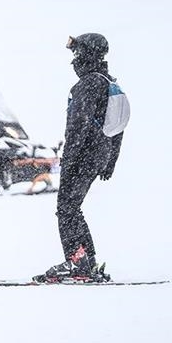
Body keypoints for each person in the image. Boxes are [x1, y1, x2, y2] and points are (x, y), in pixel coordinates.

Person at [36, 33, 124, 283]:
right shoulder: (108, 82)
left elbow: (78, 125)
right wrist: (110, 160)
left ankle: (77, 262)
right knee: (73, 207)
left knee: (66, 208)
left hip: (84, 155)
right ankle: (87, 260)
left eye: (77, 54)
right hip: (99, 154)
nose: (74, 60)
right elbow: (117, 128)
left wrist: (70, 157)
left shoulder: (87, 85)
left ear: (87, 54)